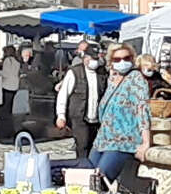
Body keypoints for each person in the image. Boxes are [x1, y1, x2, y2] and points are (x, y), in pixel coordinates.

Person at [89, 42, 150, 182]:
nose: (122, 62)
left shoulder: (136, 78)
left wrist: (146, 142)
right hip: (102, 139)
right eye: (117, 59)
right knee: (87, 177)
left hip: (123, 141)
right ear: (111, 62)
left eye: (126, 58)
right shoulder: (112, 81)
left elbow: (142, 109)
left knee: (100, 180)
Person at [55, 43, 107, 156]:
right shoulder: (74, 72)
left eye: (97, 58)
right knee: (82, 146)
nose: (94, 61)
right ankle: (83, 170)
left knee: (95, 148)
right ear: (85, 57)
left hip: (97, 119)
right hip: (79, 117)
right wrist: (61, 115)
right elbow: (63, 94)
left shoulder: (102, 73)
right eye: (92, 58)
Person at [0, 45, 20, 141]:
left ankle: (4, 132)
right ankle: (10, 131)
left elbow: (6, 74)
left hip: (7, 86)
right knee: (9, 110)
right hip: (14, 87)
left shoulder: (8, 61)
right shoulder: (17, 61)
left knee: (3, 111)